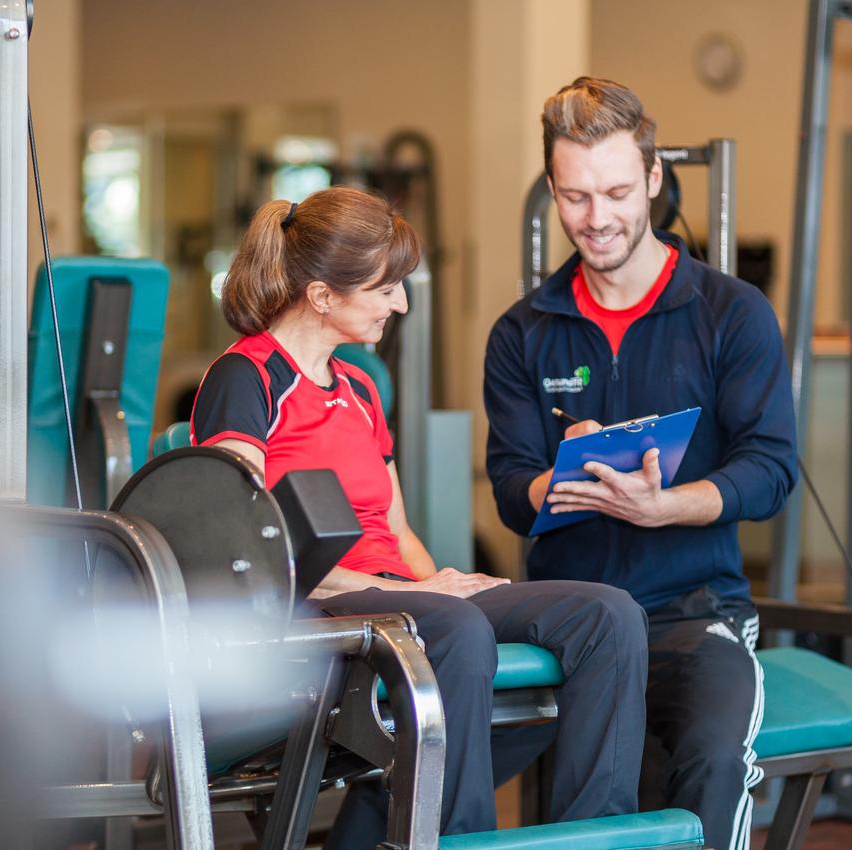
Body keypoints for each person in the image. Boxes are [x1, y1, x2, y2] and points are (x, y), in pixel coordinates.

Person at [191, 186, 648, 846]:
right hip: (312, 613)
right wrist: (427, 598)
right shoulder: (247, 378)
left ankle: (594, 838)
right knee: (458, 629)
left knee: (608, 619)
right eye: (385, 289)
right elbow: (248, 554)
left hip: (395, 602)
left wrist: (443, 582)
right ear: (322, 296)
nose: (400, 303)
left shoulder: (360, 389)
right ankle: (452, 837)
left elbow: (397, 534)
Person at [484, 77, 798, 850]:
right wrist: (566, 476)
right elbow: (509, 489)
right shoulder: (523, 333)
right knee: (584, 809)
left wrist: (670, 505)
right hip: (576, 626)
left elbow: (771, 469)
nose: (597, 219)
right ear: (554, 190)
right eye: (575, 197)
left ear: (654, 180)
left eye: (618, 192)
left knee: (712, 764)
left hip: (697, 615)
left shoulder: (731, 314)